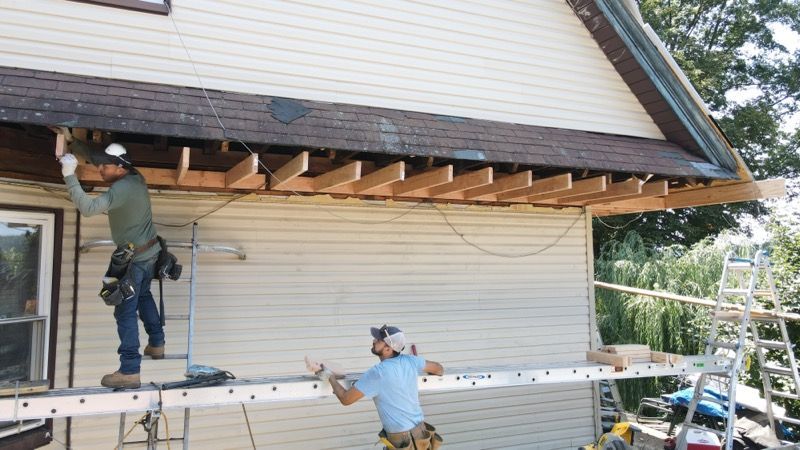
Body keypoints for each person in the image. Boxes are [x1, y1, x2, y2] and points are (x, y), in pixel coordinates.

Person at [57, 129, 164, 389]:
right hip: (150, 254)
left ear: (118, 167)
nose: (99, 170)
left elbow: (89, 208)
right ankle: (157, 343)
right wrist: (72, 141)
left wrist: (69, 176)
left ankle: (129, 370)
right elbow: (96, 157)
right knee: (143, 296)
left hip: (134, 259)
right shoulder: (134, 176)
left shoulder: (121, 190)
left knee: (124, 310)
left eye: (104, 167)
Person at [320, 325, 444, 450]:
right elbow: (439, 368)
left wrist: (330, 376)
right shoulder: (411, 361)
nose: (374, 341)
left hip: (403, 441)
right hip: (421, 433)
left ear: (388, 349)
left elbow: (346, 399)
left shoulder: (378, 373)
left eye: (378, 340)